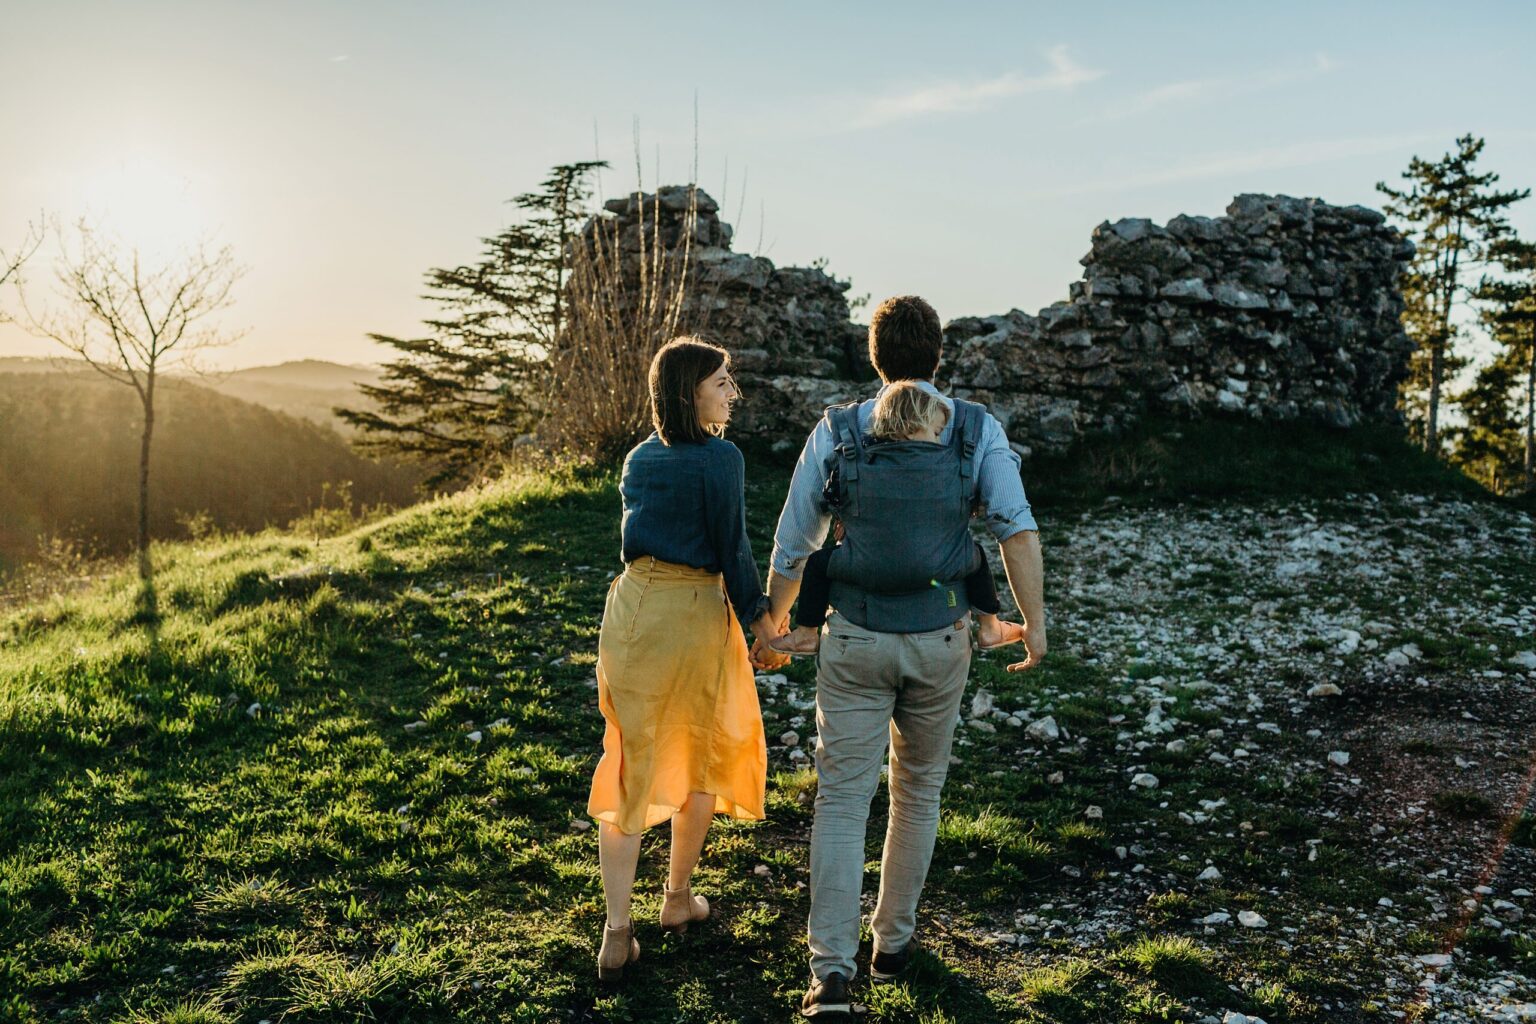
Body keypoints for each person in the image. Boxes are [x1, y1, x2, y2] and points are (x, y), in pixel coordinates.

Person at [752, 296, 1047, 1018]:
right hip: (942, 639)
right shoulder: (976, 429)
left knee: (844, 798)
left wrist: (774, 625)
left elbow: (796, 541)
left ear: (874, 355)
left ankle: (830, 976)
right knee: (917, 793)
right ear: (938, 355)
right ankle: (892, 946)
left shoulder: (839, 429)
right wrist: (1033, 621)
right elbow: (1015, 528)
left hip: (852, 637)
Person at [587, 336, 782, 983]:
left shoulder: (639, 458)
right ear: (690, 392)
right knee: (697, 753)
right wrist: (764, 624)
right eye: (723, 381)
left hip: (633, 609)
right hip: (694, 615)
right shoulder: (721, 459)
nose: (733, 392)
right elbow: (734, 548)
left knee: (629, 760)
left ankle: (617, 934)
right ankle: (675, 898)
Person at [767, 381, 1027, 658]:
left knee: (817, 564)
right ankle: (989, 626)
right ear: (911, 424)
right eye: (937, 432)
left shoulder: (862, 462)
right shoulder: (948, 466)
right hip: (939, 568)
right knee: (976, 555)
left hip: (863, 568)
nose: (940, 439)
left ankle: (806, 633)